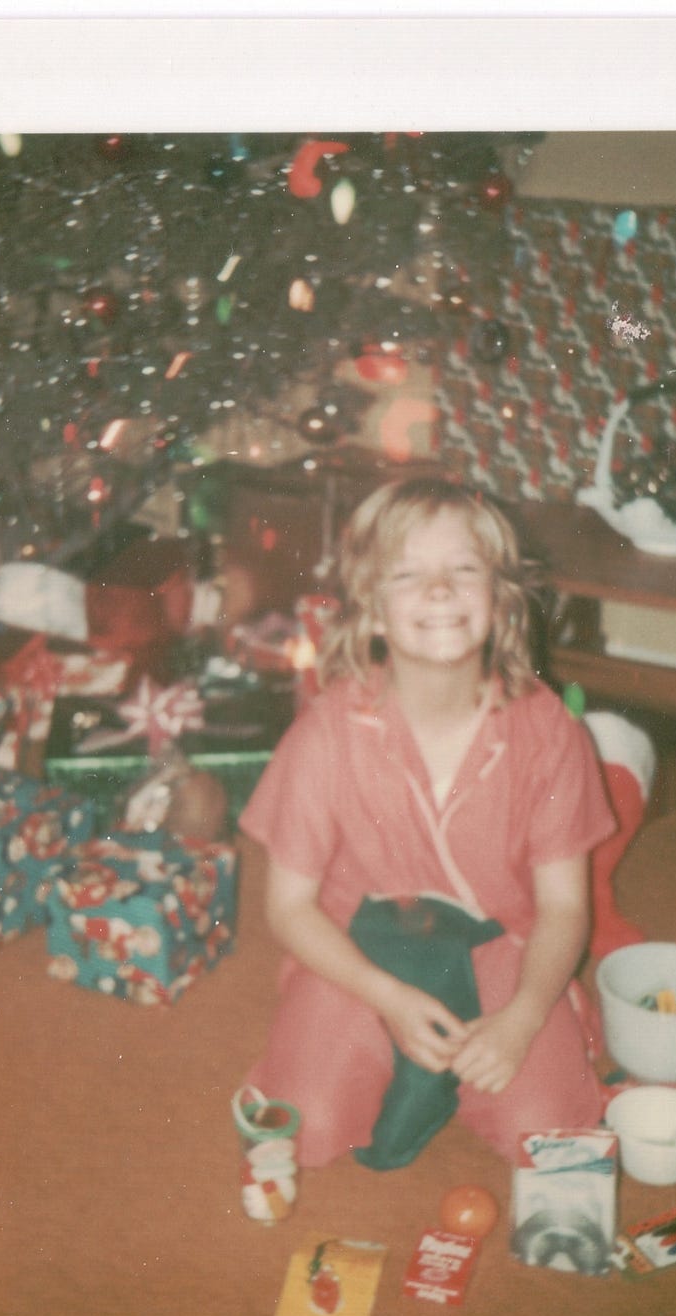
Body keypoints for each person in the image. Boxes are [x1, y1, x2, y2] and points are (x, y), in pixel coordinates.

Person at [238, 476, 618, 1168]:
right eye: (408, 574)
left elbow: (564, 907)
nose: (440, 590)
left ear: (499, 600)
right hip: (361, 944)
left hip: (502, 943)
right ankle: (396, 1062)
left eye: (463, 570)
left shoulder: (549, 732)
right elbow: (290, 908)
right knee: (303, 1130)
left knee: (549, 1134)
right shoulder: (327, 731)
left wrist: (524, 1017)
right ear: (373, 612)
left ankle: (462, 1070)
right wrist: (385, 997)